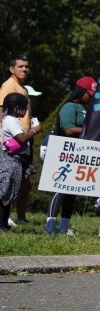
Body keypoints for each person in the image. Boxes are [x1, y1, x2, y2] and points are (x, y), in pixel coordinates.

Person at [46, 77, 98, 235]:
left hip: (78, 152)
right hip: (65, 151)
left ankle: (64, 226)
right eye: (89, 94)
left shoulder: (84, 107)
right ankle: (50, 225)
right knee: (59, 188)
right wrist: (91, 129)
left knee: (71, 191)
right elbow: (69, 130)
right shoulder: (69, 106)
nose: (91, 97)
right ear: (81, 91)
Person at [1, 55, 33, 225]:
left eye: (26, 66)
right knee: (8, 180)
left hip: (22, 141)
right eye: (20, 66)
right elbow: (2, 112)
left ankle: (19, 217)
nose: (24, 69)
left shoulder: (23, 88)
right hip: (10, 143)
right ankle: (5, 217)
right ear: (11, 69)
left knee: (23, 182)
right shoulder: (9, 86)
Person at [1, 93, 40, 228]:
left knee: (10, 193)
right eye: (24, 108)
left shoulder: (11, 119)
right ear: (17, 107)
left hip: (16, 161)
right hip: (11, 161)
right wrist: (34, 130)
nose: (26, 111)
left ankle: (4, 224)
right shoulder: (11, 120)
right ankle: (2, 224)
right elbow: (22, 138)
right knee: (6, 192)